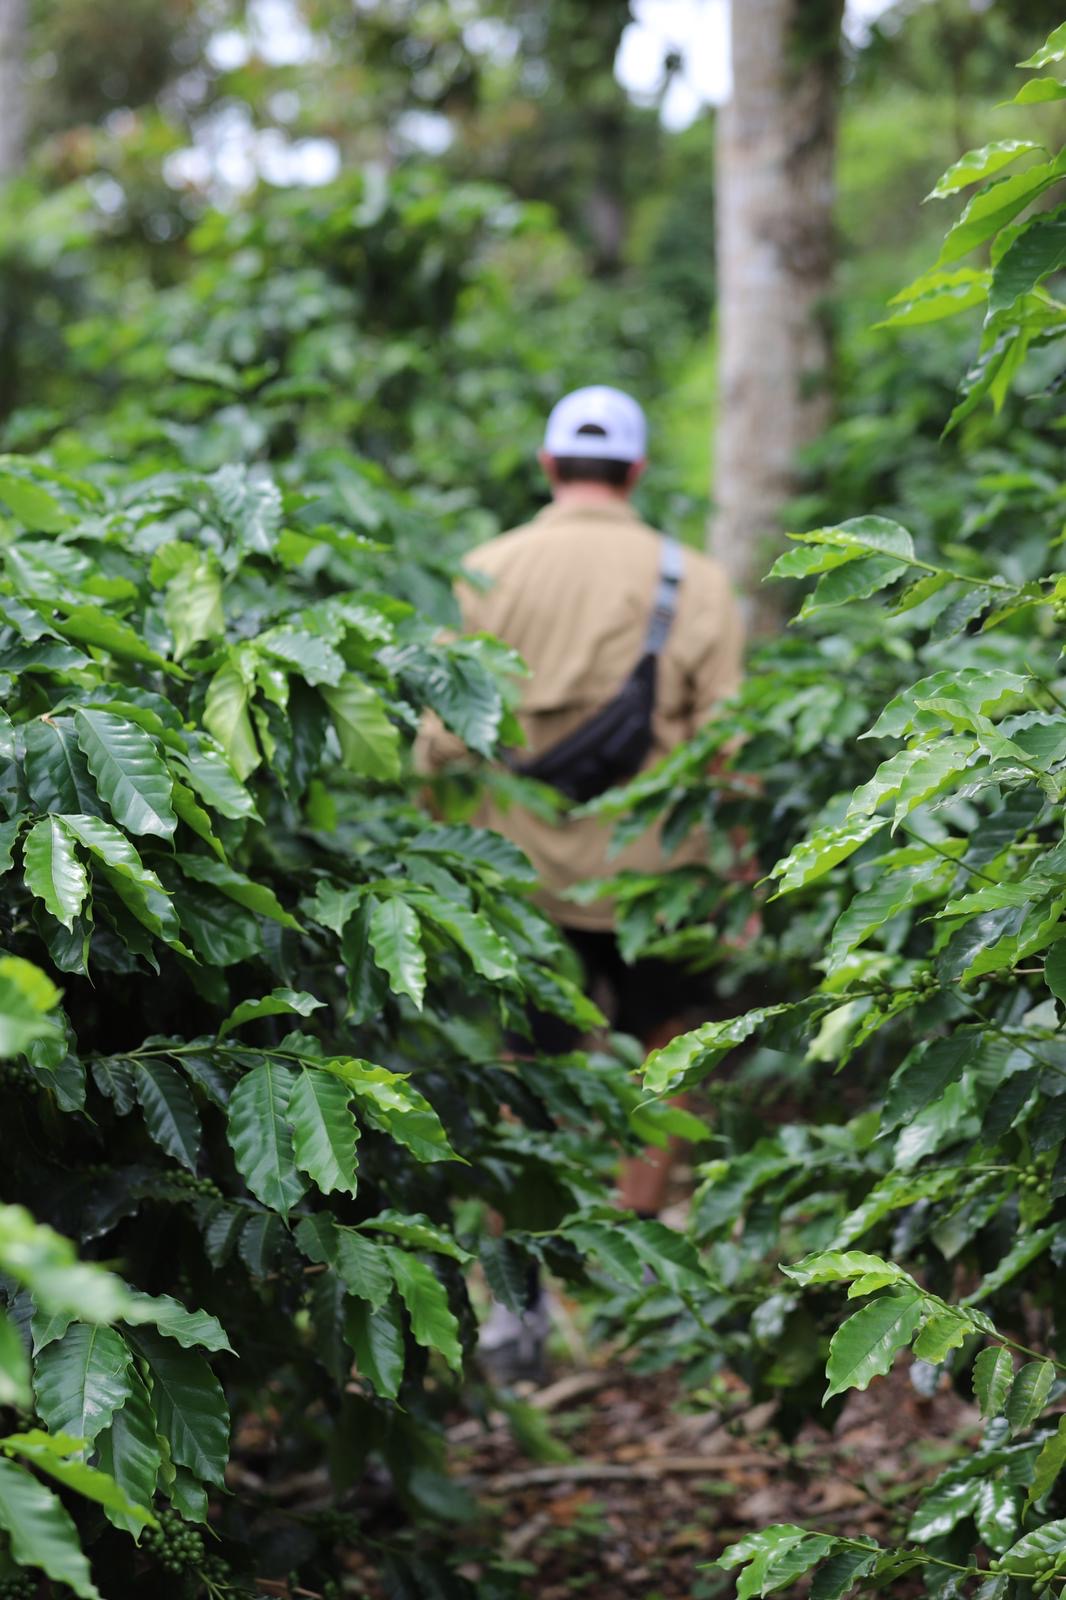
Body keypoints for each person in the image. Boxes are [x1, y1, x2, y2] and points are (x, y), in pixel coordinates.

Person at [416, 385, 744, 1374]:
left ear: (550, 465)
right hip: (657, 872)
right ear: (637, 472)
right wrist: (738, 869)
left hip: (517, 869)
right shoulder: (696, 579)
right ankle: (633, 1273)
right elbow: (728, 743)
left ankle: (519, 1294)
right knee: (665, 1046)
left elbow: (439, 739)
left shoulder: (485, 569)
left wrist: (449, 851)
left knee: (528, 1062)